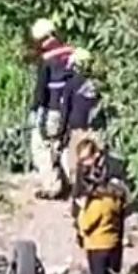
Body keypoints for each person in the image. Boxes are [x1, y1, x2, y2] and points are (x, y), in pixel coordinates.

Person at [70, 136, 131, 274]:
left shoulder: (114, 166)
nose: (83, 164)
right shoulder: (82, 169)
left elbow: (125, 193)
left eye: (86, 159)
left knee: (111, 266)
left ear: (96, 154)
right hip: (93, 222)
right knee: (99, 271)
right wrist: (77, 223)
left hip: (113, 217)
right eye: (81, 160)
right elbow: (77, 194)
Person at [27, 18, 75, 199]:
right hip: (73, 108)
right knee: (64, 144)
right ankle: (72, 181)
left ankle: (51, 186)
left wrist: (36, 110)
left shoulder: (46, 60)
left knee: (42, 146)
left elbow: (41, 91)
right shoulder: (71, 53)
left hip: (53, 110)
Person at [57, 47, 104, 190]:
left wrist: (61, 132)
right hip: (95, 129)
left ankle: (78, 198)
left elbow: (65, 110)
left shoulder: (71, 84)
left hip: (77, 129)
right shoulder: (97, 84)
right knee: (95, 163)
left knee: (75, 165)